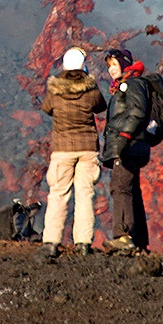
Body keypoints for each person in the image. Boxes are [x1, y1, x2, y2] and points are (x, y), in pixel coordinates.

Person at [40, 46, 107, 258]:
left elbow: (46, 109)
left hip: (62, 150)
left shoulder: (55, 91)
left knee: (58, 195)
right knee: (85, 195)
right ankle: (83, 243)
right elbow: (101, 106)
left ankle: (51, 242)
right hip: (87, 149)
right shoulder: (91, 91)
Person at [101, 48, 152, 253]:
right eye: (109, 66)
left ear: (124, 64)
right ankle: (138, 239)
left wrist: (124, 137)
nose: (111, 70)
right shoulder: (127, 85)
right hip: (130, 146)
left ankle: (124, 236)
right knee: (131, 190)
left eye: (114, 65)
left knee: (120, 188)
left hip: (127, 147)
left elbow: (137, 113)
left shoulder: (131, 84)